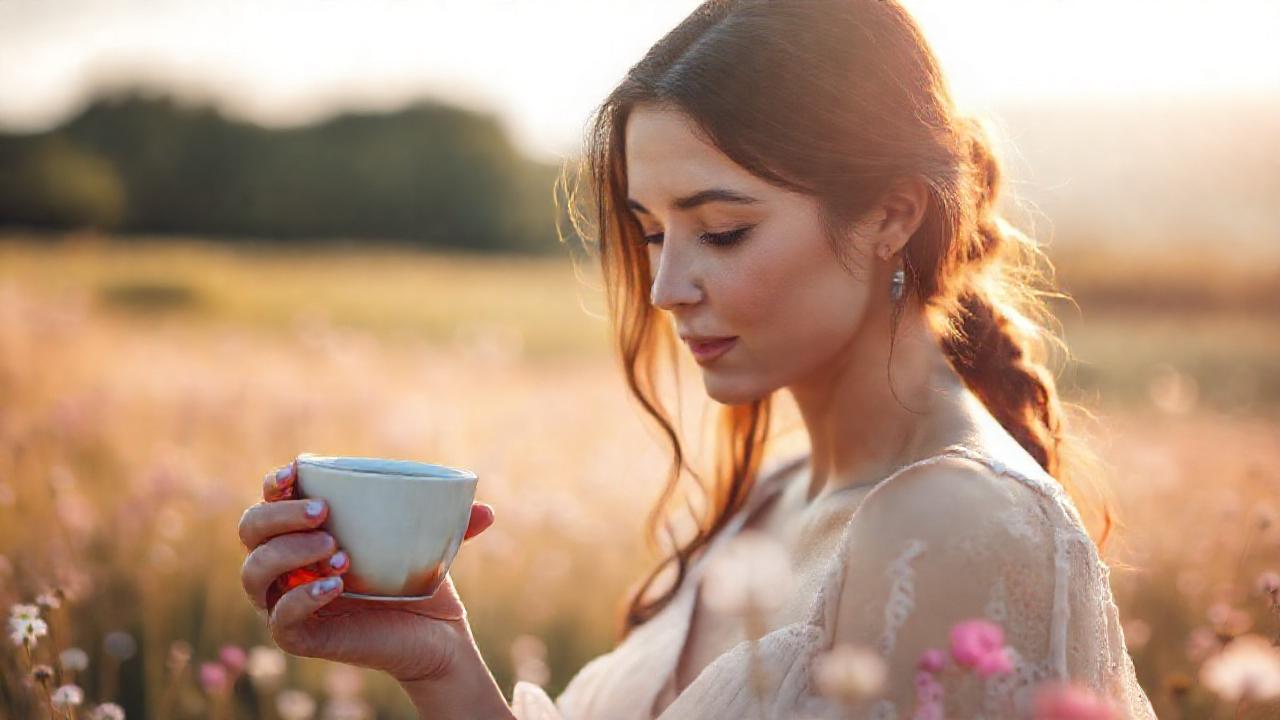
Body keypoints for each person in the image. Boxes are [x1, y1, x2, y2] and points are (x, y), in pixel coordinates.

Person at [238, 0, 1158, 717]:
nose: (666, 286)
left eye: (721, 231)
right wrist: (438, 660)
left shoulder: (961, 525)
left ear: (891, 214)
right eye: (648, 234)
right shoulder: (779, 487)